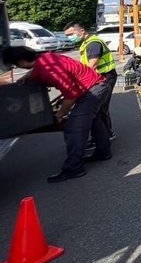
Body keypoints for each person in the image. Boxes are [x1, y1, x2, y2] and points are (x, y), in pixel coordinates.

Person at [2, 46, 111, 182]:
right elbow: (36, 71)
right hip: (96, 86)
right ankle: (103, 152)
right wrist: (27, 77)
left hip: (92, 90)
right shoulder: (45, 58)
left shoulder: (49, 70)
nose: (16, 66)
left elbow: (71, 95)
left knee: (74, 128)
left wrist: (60, 114)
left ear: (21, 61)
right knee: (93, 119)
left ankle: (74, 169)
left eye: (15, 64)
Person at [64, 21, 117, 140]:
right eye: (67, 35)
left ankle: (106, 135)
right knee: (98, 107)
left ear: (82, 31)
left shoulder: (93, 43)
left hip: (105, 77)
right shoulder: (86, 42)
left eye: (71, 34)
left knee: (100, 107)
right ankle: (101, 136)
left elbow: (92, 65)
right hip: (99, 77)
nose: (69, 37)